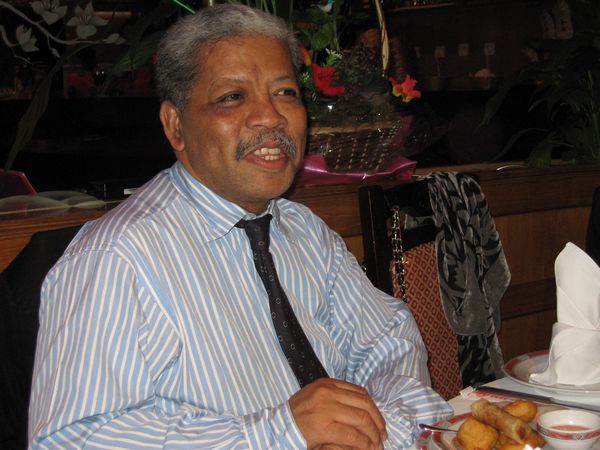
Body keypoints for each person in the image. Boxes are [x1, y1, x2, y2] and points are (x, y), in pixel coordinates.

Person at [28, 4, 451, 449]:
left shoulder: (303, 231)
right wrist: (281, 433)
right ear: (175, 126)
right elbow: (70, 438)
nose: (270, 117)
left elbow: (388, 341)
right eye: (232, 97)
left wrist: (377, 432)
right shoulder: (117, 259)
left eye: (285, 92)